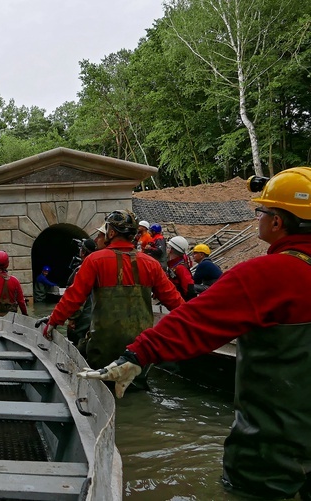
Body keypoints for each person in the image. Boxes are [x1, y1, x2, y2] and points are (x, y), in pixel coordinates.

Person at [78, 167, 311, 500]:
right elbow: (176, 301)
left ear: (277, 222)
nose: (258, 217)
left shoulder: (268, 275)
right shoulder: (150, 264)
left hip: (272, 451)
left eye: (262, 211)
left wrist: (137, 354)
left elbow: (194, 321)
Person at [41, 210, 184, 369]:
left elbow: (73, 297)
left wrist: (54, 321)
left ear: (111, 232)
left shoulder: (94, 261)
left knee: (99, 385)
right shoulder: (151, 264)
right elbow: (176, 302)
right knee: (135, 386)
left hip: (103, 347)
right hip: (140, 349)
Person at [64, 238, 98, 346]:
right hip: (98, 320)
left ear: (82, 252)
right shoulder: (100, 267)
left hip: (84, 319)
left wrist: (72, 319)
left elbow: (75, 296)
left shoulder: (81, 270)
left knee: (79, 344)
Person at [166, 236, 196, 301]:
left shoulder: (180, 268)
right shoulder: (173, 265)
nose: (166, 249)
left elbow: (190, 291)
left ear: (171, 250)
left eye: (168, 247)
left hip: (179, 304)